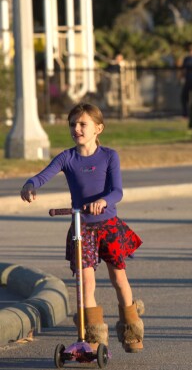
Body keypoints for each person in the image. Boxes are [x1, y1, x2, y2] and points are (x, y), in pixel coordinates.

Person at [20, 103, 145, 353]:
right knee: (85, 283)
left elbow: (117, 191)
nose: (76, 129)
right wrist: (30, 185)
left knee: (118, 278)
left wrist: (103, 201)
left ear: (98, 128)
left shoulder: (110, 156)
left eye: (82, 124)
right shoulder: (68, 157)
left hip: (108, 225)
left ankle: (131, 329)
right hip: (82, 227)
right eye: (72, 124)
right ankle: (94, 338)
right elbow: (43, 175)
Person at [180, 42, 192, 118]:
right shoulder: (186, 59)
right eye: (189, 50)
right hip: (188, 80)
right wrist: (182, 78)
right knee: (184, 97)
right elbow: (183, 69)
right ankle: (185, 113)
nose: (190, 52)